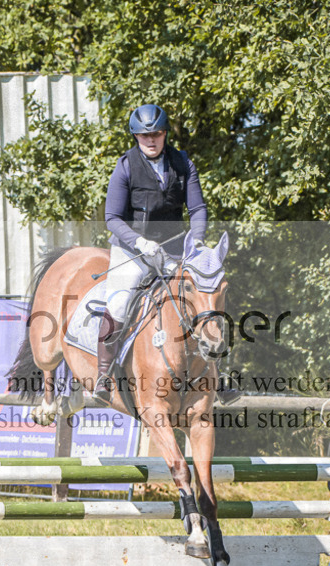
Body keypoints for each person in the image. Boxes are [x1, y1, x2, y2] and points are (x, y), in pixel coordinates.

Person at [95, 104, 208, 401]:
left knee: (204, 295)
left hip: (172, 251)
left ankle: (215, 374)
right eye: (144, 136)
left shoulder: (182, 164)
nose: (151, 140)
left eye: (156, 134)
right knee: (119, 303)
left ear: (165, 134)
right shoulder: (126, 166)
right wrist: (139, 242)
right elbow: (112, 218)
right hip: (133, 250)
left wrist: (196, 241)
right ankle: (104, 375)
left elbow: (196, 208)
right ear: (135, 136)